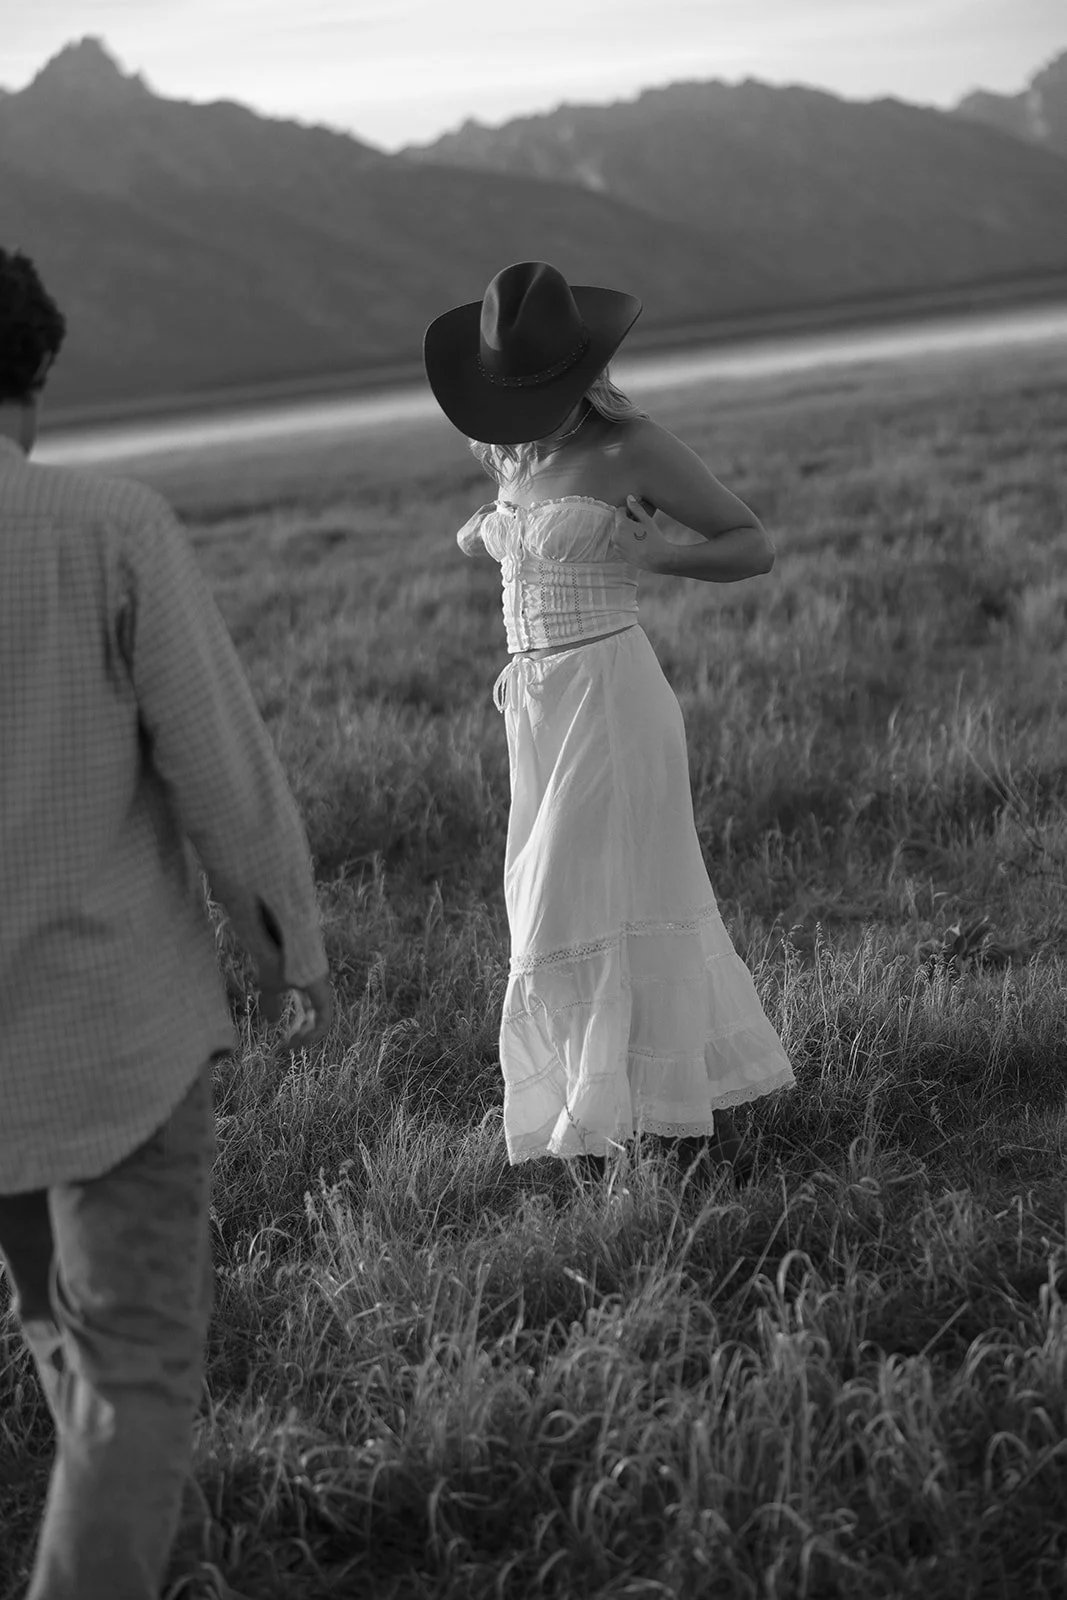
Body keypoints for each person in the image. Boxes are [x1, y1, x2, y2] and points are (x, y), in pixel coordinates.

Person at [0, 247, 333, 1600]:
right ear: (38, 364)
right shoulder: (102, 524)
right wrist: (288, 948)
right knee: (128, 1364)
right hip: (109, 1033)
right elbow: (219, 766)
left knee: (62, 1336)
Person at [424, 260, 796, 1185]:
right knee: (562, 899)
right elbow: (526, 540)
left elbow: (751, 544)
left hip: (609, 692)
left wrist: (657, 554)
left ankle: (597, 1119)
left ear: (578, 374)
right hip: (536, 707)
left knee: (565, 901)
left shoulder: (633, 446)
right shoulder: (516, 455)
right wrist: (485, 531)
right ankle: (632, 1111)